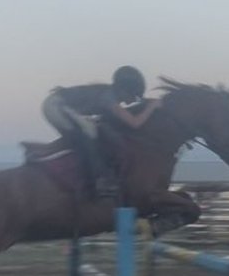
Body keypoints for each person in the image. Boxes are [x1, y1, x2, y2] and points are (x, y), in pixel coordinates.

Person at [42, 65, 160, 198]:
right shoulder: (108, 98)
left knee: (92, 130)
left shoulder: (110, 94)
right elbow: (134, 123)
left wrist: (147, 104)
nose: (134, 99)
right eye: (133, 95)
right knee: (88, 132)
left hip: (61, 105)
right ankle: (97, 181)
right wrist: (151, 107)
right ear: (123, 90)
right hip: (55, 106)